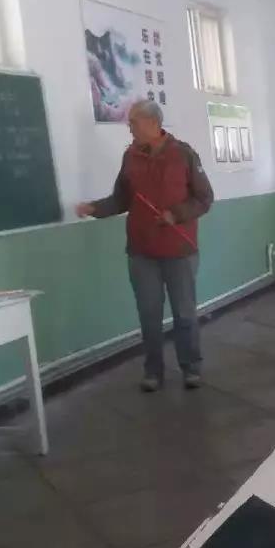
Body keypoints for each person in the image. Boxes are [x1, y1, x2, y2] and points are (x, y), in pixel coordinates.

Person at [76, 100, 213, 392]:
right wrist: (94, 208)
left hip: (179, 250)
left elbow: (204, 199)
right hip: (141, 252)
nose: (130, 128)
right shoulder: (130, 157)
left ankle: (191, 368)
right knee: (149, 316)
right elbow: (121, 199)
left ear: (153, 123)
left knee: (184, 314)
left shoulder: (183, 154)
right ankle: (153, 372)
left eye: (133, 123)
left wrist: (175, 214)